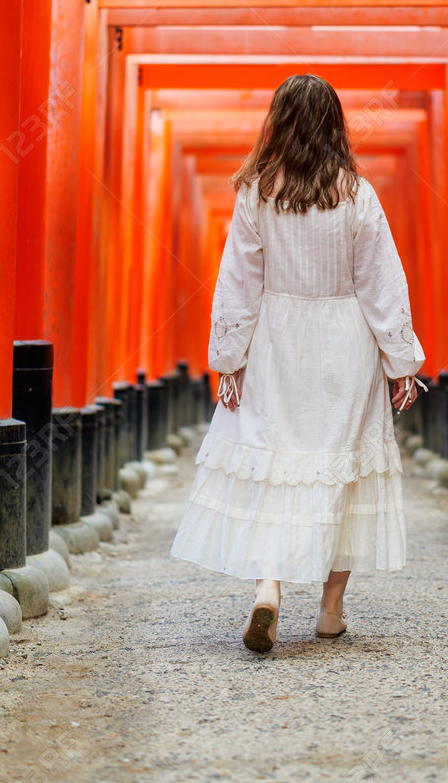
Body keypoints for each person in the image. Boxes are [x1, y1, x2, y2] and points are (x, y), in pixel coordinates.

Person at [170, 74, 425, 652]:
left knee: (273, 462)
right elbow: (381, 284)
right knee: (342, 467)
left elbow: (239, 282)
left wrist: (229, 359)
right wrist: (402, 362)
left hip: (275, 343)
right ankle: (330, 611)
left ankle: (269, 587)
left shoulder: (256, 194)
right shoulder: (358, 195)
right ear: (335, 124)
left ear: (278, 123)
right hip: (345, 344)